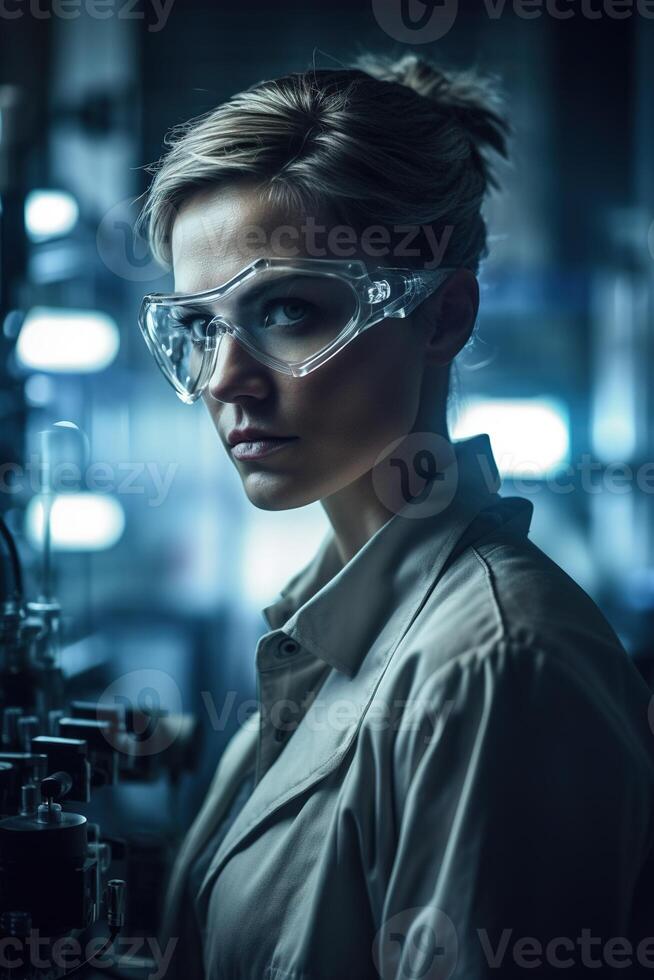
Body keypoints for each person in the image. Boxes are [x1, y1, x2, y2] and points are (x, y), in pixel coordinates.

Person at [136, 52, 654, 980]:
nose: (224, 380)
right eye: (201, 327)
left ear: (444, 315)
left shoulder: (496, 669)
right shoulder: (323, 639)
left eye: (288, 310)